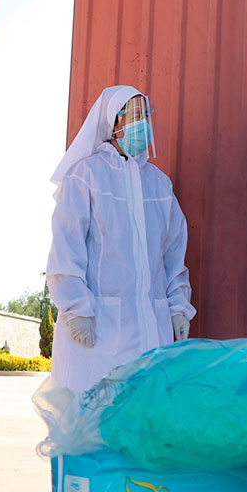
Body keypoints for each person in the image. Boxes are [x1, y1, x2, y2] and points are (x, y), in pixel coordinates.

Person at [47, 85, 195, 392]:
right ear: (115, 121)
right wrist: (76, 309)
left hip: (151, 330)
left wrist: (178, 308)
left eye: (146, 115)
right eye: (136, 115)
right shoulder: (86, 176)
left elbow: (173, 255)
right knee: (97, 412)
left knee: (147, 410)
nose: (144, 123)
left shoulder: (158, 185)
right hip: (100, 329)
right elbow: (67, 247)